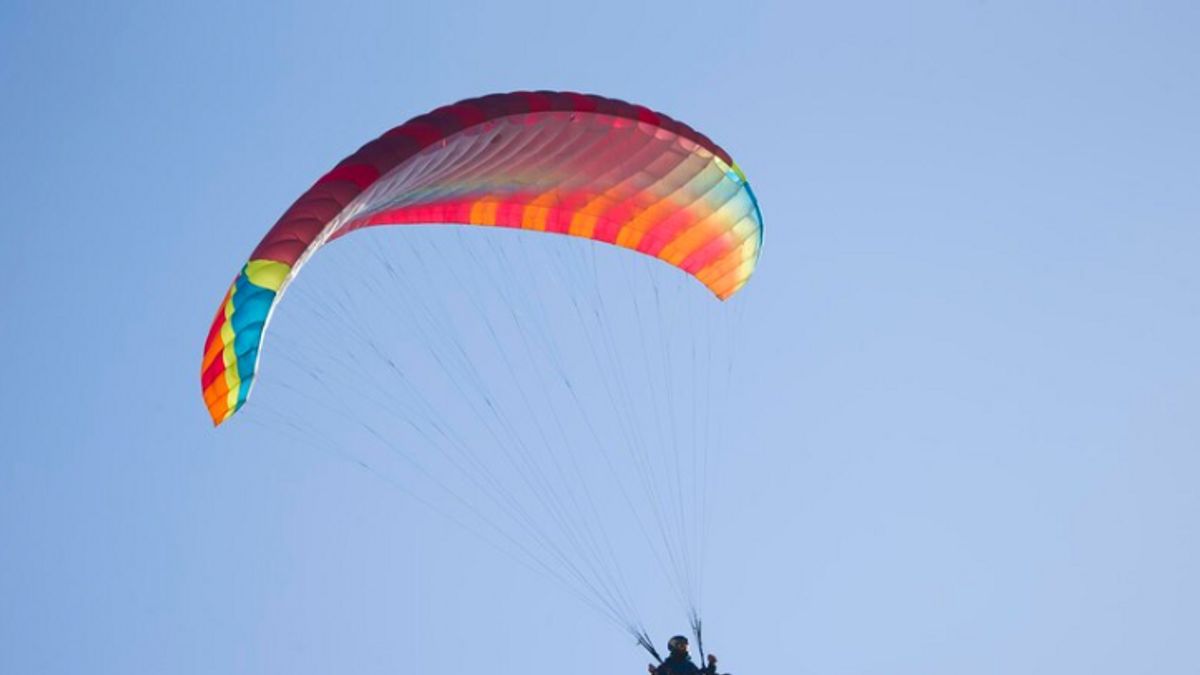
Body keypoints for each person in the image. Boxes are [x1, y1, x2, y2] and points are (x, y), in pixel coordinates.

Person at [648, 635, 719, 675]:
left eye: (685, 646)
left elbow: (702, 673)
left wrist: (711, 664)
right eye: (681, 646)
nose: (684, 648)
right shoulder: (667, 665)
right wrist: (655, 672)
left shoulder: (689, 665)